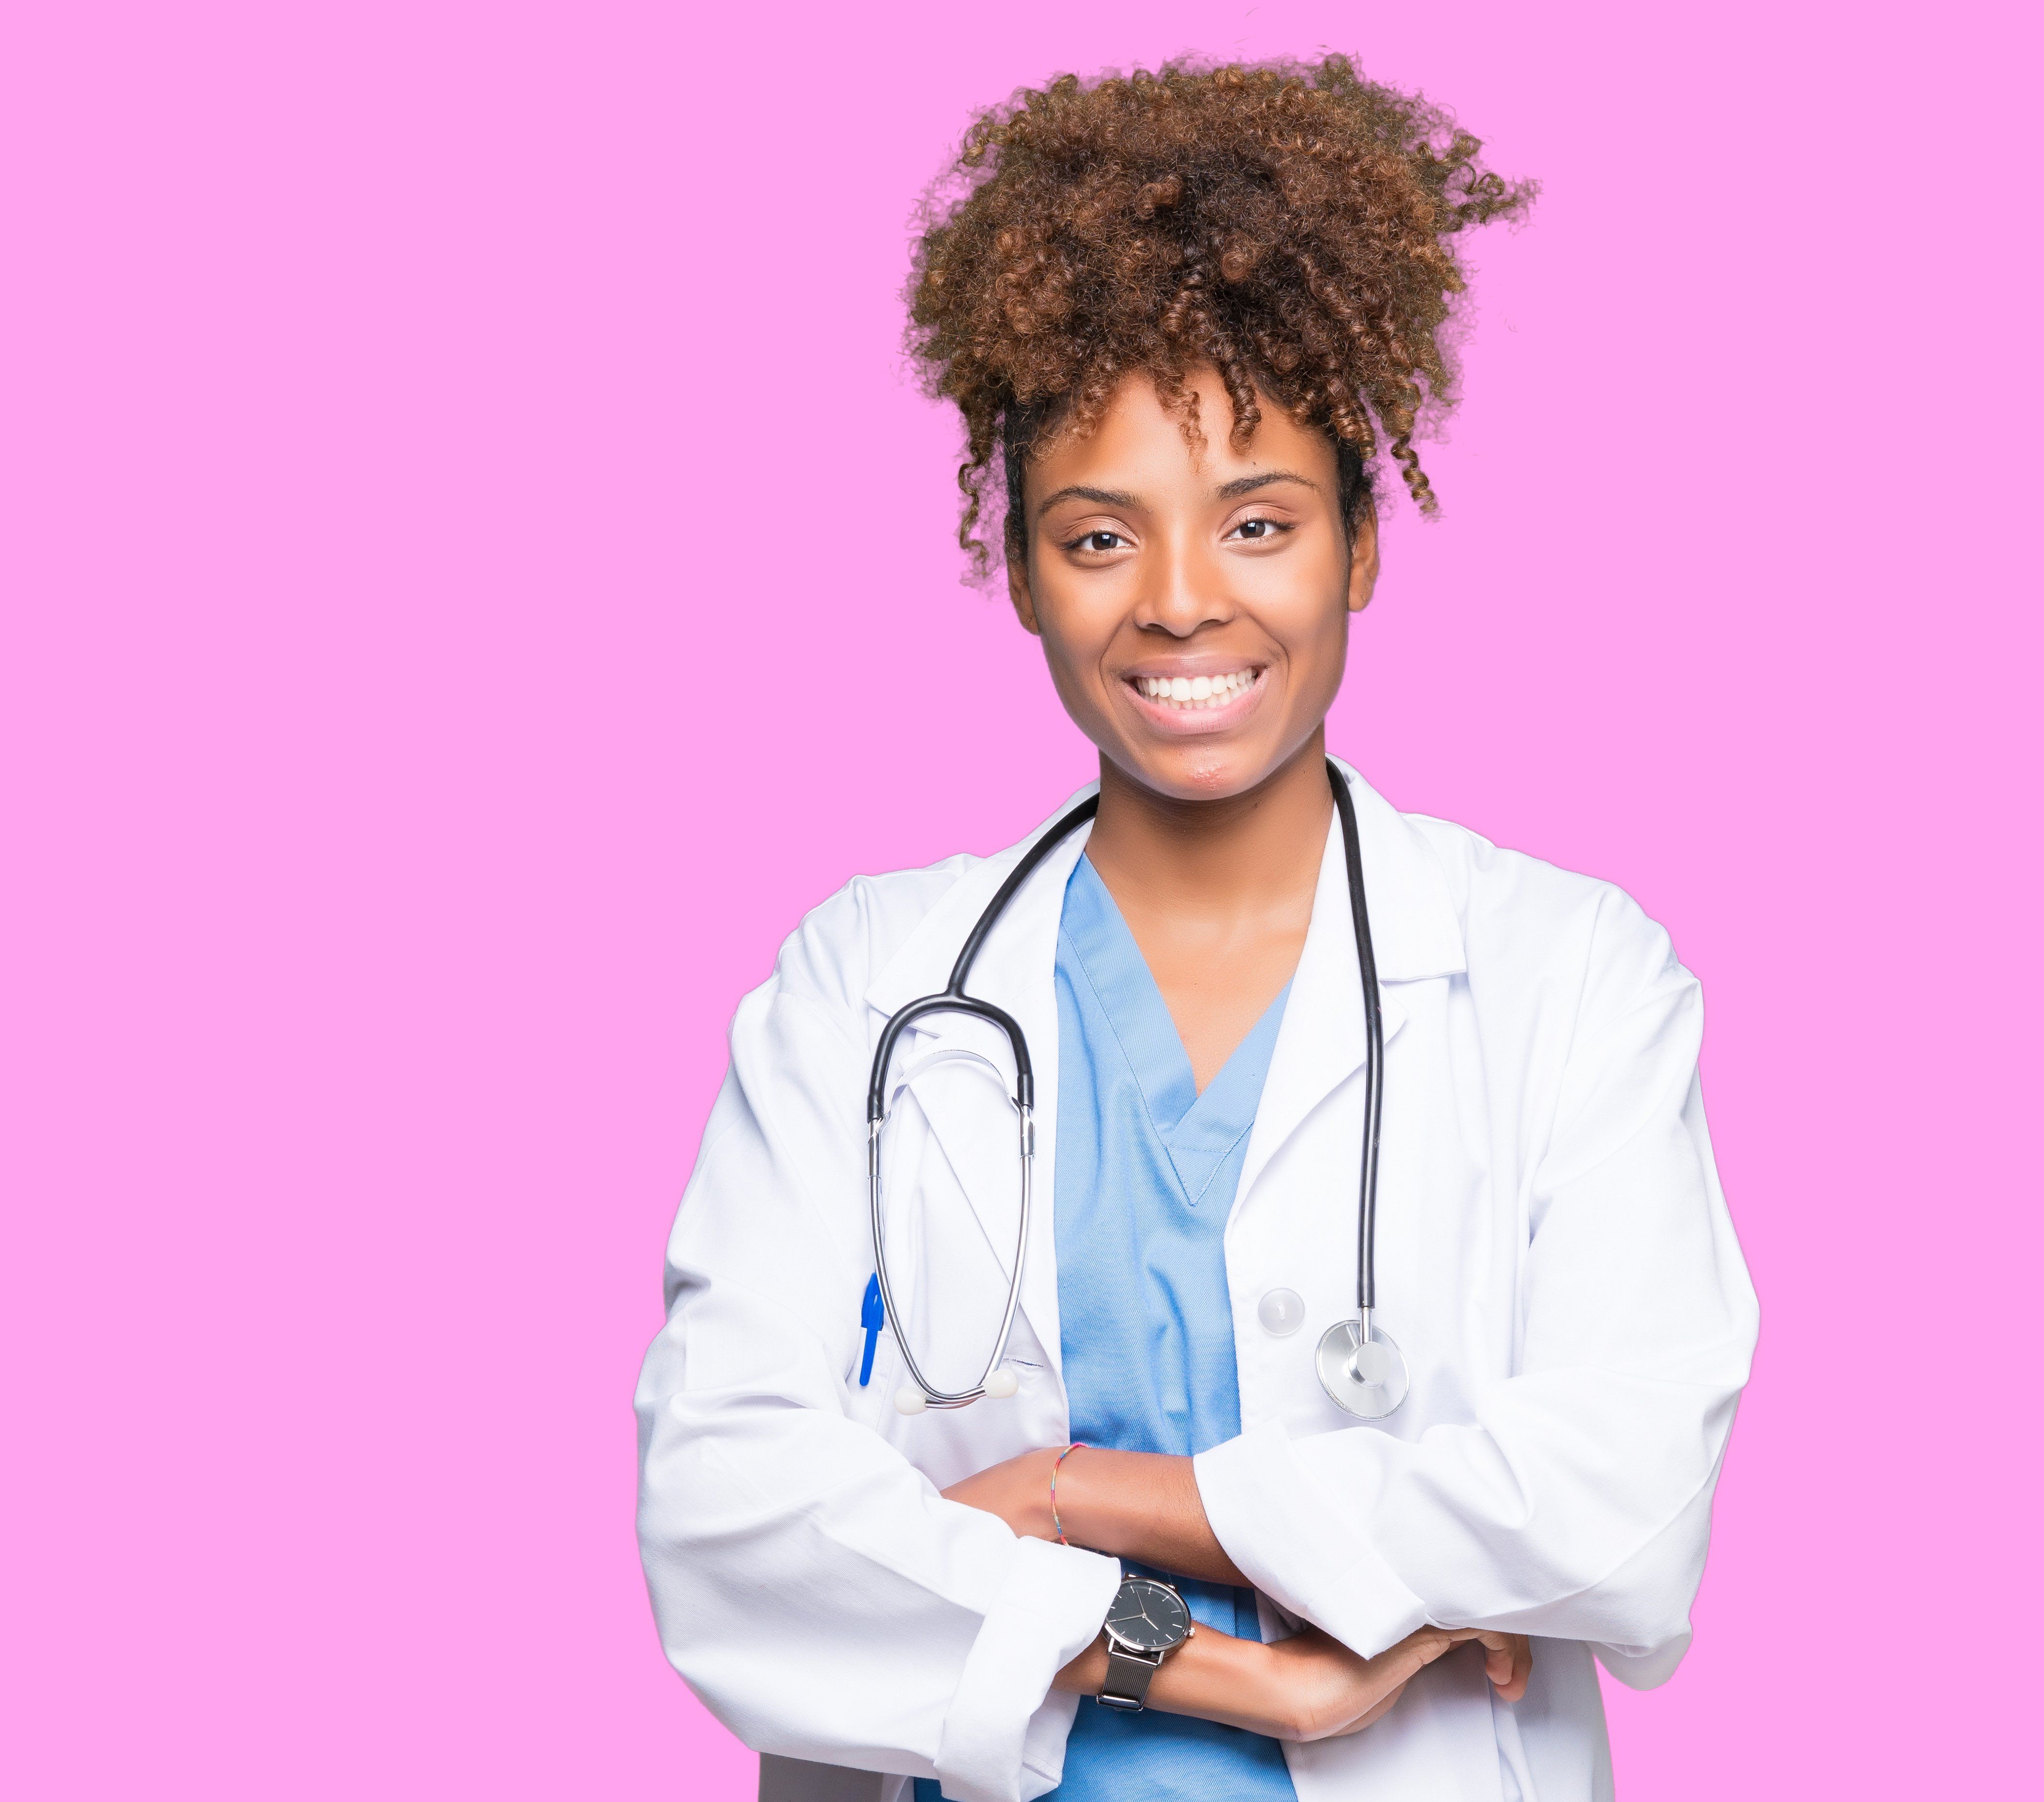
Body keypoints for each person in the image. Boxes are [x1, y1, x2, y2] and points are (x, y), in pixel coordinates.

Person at [633, 57, 1757, 1802]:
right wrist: (1229, 1669)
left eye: (1258, 523)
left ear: (1359, 547)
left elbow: (1623, 1500)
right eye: (1100, 536)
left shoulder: (1569, 978)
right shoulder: (865, 985)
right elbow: (727, 1515)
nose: (1178, 600)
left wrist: (1073, 1496)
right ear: (1021, 573)